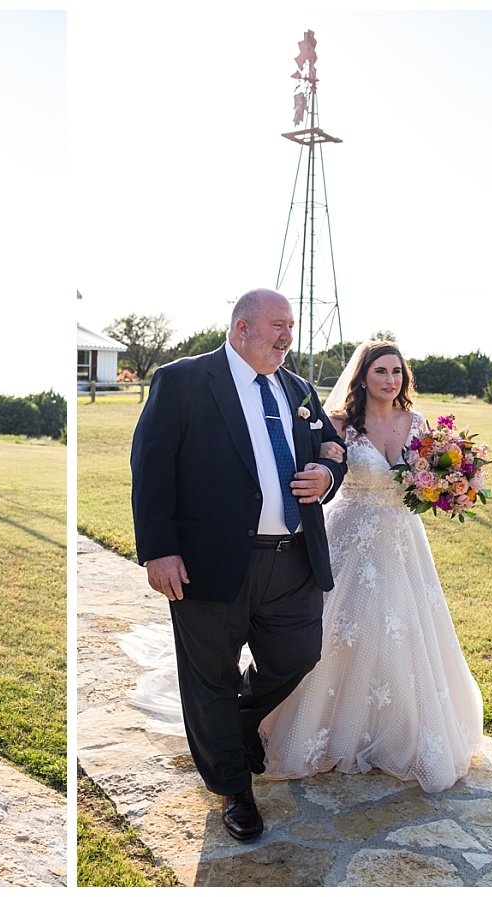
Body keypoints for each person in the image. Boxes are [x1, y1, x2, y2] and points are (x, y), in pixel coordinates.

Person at [130, 288, 347, 842]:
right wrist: (159, 549)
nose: (287, 337)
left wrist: (326, 477)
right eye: (278, 325)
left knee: (300, 653)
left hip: (292, 559)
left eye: (291, 327)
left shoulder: (297, 388)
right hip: (209, 564)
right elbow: (151, 468)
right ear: (242, 327)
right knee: (211, 680)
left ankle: (241, 720)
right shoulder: (183, 381)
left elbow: (329, 450)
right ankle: (233, 789)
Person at [251, 340, 484, 790]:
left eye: (397, 372)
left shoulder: (417, 424)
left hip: (402, 539)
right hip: (351, 536)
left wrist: (449, 485)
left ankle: (396, 731)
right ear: (362, 378)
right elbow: (324, 472)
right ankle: (325, 728)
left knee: (403, 630)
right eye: (381, 371)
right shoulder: (340, 424)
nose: (390, 380)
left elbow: (427, 474)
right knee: (344, 629)